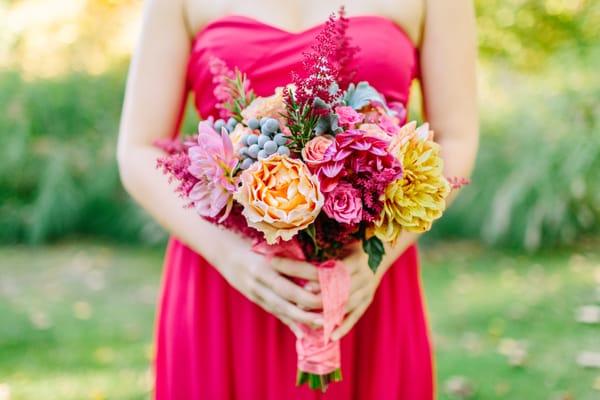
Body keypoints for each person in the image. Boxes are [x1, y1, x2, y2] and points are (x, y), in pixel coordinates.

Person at [117, 0, 478, 398]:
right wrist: (232, 256)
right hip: (225, 278)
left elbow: (455, 137)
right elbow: (137, 150)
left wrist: (381, 255)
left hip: (362, 274)